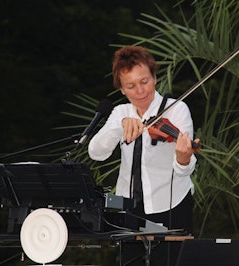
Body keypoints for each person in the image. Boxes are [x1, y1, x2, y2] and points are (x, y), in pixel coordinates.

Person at [88, 45, 200, 265]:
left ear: (155, 78)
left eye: (144, 81)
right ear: (121, 89)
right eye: (130, 85)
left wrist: (184, 157)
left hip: (171, 204)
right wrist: (120, 126)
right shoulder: (121, 113)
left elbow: (183, 170)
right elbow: (96, 153)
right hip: (127, 205)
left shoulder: (177, 109)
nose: (139, 91)